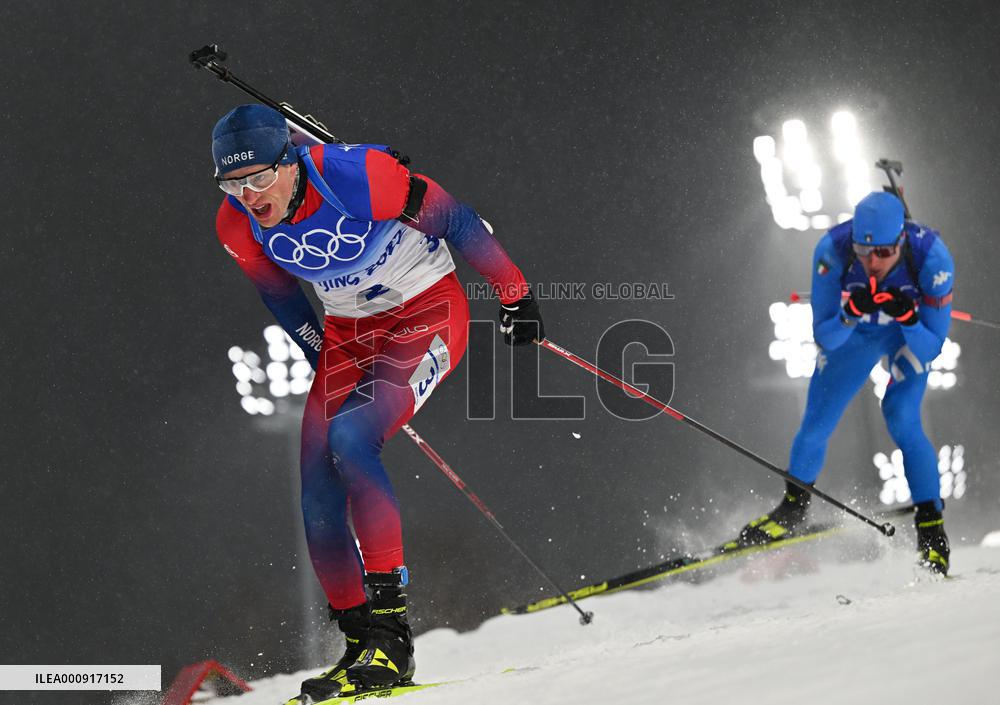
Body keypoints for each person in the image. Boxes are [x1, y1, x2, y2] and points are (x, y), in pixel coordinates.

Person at [210, 104, 544, 700]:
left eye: (258, 177)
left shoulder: (354, 176)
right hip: (348, 334)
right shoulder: (237, 224)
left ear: (290, 161)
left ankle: (393, 639)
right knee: (316, 482)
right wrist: (323, 356)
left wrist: (514, 295)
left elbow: (456, 218)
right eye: (233, 184)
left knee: (351, 438)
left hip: (426, 310)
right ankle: (362, 642)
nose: (249, 196)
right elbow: (283, 299)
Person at [739, 191, 954, 575]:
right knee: (816, 423)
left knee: (901, 417)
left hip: (906, 338)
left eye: (883, 253)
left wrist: (909, 319)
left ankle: (932, 531)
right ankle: (792, 510)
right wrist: (850, 313)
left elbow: (931, 347)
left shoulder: (932, 257)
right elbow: (826, 337)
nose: (872, 262)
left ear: (901, 241)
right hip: (855, 336)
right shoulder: (832, 250)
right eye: (863, 251)